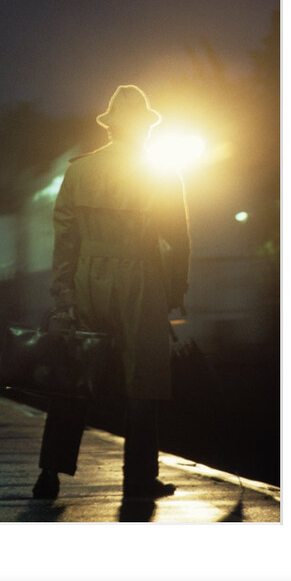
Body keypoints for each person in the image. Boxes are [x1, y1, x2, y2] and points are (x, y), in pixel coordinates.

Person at [32, 85, 190, 501]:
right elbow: (178, 238)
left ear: (110, 126)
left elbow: (64, 239)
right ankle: (138, 478)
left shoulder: (79, 170)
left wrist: (63, 293)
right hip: (141, 278)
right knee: (144, 378)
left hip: (87, 278)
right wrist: (175, 288)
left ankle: (49, 473)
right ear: (143, 127)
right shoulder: (160, 172)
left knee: (74, 374)